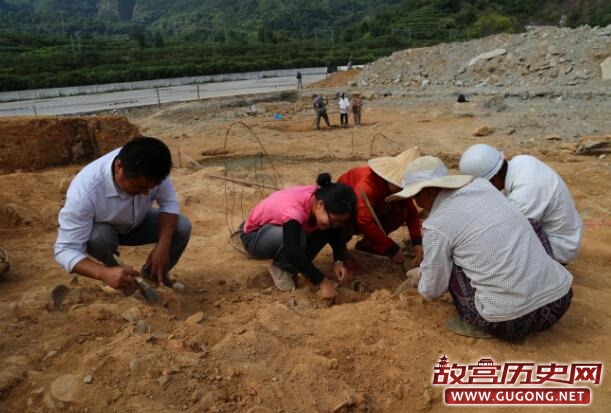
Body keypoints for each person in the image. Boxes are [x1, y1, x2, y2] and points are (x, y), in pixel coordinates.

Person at [388, 156, 573, 340]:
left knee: (451, 261)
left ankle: (479, 321)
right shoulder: (483, 187)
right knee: (530, 224)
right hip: (559, 301)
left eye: (415, 197)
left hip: (510, 322)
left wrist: (422, 275)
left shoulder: (436, 226)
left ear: (425, 192)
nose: (417, 204)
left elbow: (432, 290)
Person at [54, 137, 191, 291]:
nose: (146, 193)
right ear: (118, 167)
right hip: (106, 231)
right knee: (98, 238)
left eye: (151, 188)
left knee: (181, 226)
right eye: (140, 187)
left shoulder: (152, 167)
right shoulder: (85, 193)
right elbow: (65, 250)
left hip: (140, 223)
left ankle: (153, 278)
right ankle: (119, 277)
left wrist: (163, 245)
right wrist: (103, 273)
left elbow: (169, 203)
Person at [239, 173, 357, 300]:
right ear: (320, 205)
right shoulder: (294, 209)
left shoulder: (322, 197)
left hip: (281, 228)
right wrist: (322, 281)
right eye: (334, 220)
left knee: (325, 229)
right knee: (297, 237)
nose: (336, 225)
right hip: (254, 236)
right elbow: (291, 248)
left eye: (340, 222)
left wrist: (338, 262)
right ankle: (281, 267)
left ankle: (295, 266)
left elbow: (336, 232)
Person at [459, 144, 583, 264]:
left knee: (494, 255)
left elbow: (507, 233)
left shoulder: (526, 193)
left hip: (560, 247)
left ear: (494, 179)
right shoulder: (521, 161)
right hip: (560, 232)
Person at [338, 147, 423, 270]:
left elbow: (411, 213)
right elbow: (364, 220)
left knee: (401, 212)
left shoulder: (398, 189)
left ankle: (368, 245)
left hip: (374, 207)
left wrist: (417, 242)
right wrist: (390, 249)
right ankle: (340, 252)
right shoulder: (367, 186)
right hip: (346, 209)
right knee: (344, 221)